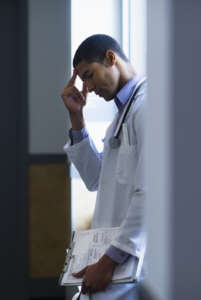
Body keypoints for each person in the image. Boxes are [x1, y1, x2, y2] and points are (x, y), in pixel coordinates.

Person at [61, 34, 146, 300]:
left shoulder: (147, 108)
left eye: (89, 75)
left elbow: (150, 194)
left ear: (111, 58)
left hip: (128, 263)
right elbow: (97, 179)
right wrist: (77, 118)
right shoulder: (123, 116)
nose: (87, 86)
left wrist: (108, 261)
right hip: (115, 260)